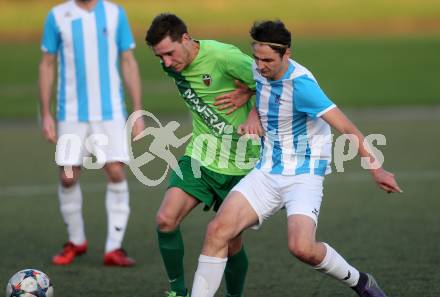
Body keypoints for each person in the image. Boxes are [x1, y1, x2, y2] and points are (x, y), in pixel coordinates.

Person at [190, 20, 403, 297]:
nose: (260, 65)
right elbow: (260, 88)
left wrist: (378, 170)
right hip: (266, 170)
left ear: (286, 54)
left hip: (302, 175)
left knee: (302, 248)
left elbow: (347, 128)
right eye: (256, 57)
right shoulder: (260, 69)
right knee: (217, 231)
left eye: (267, 60)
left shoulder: (302, 87)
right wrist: (253, 111)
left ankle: (360, 282)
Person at [145, 13, 260, 297]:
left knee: (232, 243)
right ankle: (177, 291)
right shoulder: (173, 66)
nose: (167, 63)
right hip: (200, 156)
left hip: (242, 162)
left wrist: (250, 99)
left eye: (170, 53)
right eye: (160, 57)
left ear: (186, 39)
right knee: (165, 220)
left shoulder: (224, 57)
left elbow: (273, 80)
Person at [38, 0, 144, 267]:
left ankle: (114, 248)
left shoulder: (115, 13)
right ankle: (76, 241)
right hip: (70, 113)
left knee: (116, 171)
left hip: (110, 112)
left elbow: (128, 61)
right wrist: (47, 113)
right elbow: (47, 64)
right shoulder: (57, 15)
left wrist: (138, 110)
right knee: (68, 176)